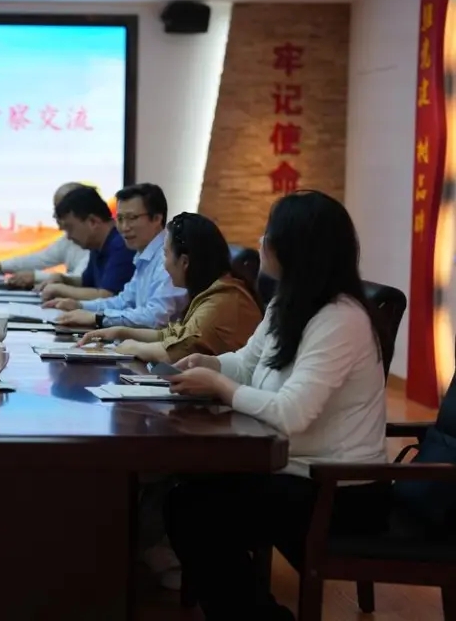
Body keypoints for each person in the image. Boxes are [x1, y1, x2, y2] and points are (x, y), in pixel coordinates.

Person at [164, 190, 391, 621]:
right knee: (187, 498)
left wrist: (219, 386)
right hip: (293, 471)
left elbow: (292, 413)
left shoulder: (340, 319)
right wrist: (212, 363)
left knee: (195, 513)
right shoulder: (288, 302)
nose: (261, 241)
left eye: (269, 234)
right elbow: (248, 363)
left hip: (338, 492)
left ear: (295, 248)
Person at [76, 212, 262, 363]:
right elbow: (173, 335)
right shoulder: (213, 291)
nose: (164, 265)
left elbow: (175, 352)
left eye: (165, 255)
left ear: (185, 262)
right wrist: (120, 332)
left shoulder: (222, 299)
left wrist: (133, 347)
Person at [46, 183, 187, 328]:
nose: (124, 227)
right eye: (120, 219)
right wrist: (80, 306)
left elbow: (157, 317)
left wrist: (98, 318)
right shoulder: (144, 255)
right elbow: (123, 302)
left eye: (132, 218)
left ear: (157, 218)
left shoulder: (169, 257)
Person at [0, 182, 90, 288]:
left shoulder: (93, 241)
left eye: (61, 211)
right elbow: (41, 258)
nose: (56, 217)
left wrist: (35, 277)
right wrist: (0, 266)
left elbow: (81, 279)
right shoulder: (69, 239)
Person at [30, 185, 135, 302]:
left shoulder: (122, 244)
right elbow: (86, 283)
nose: (68, 237)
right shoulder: (97, 245)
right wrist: (62, 279)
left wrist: (60, 289)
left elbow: (108, 296)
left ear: (92, 222)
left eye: (70, 228)